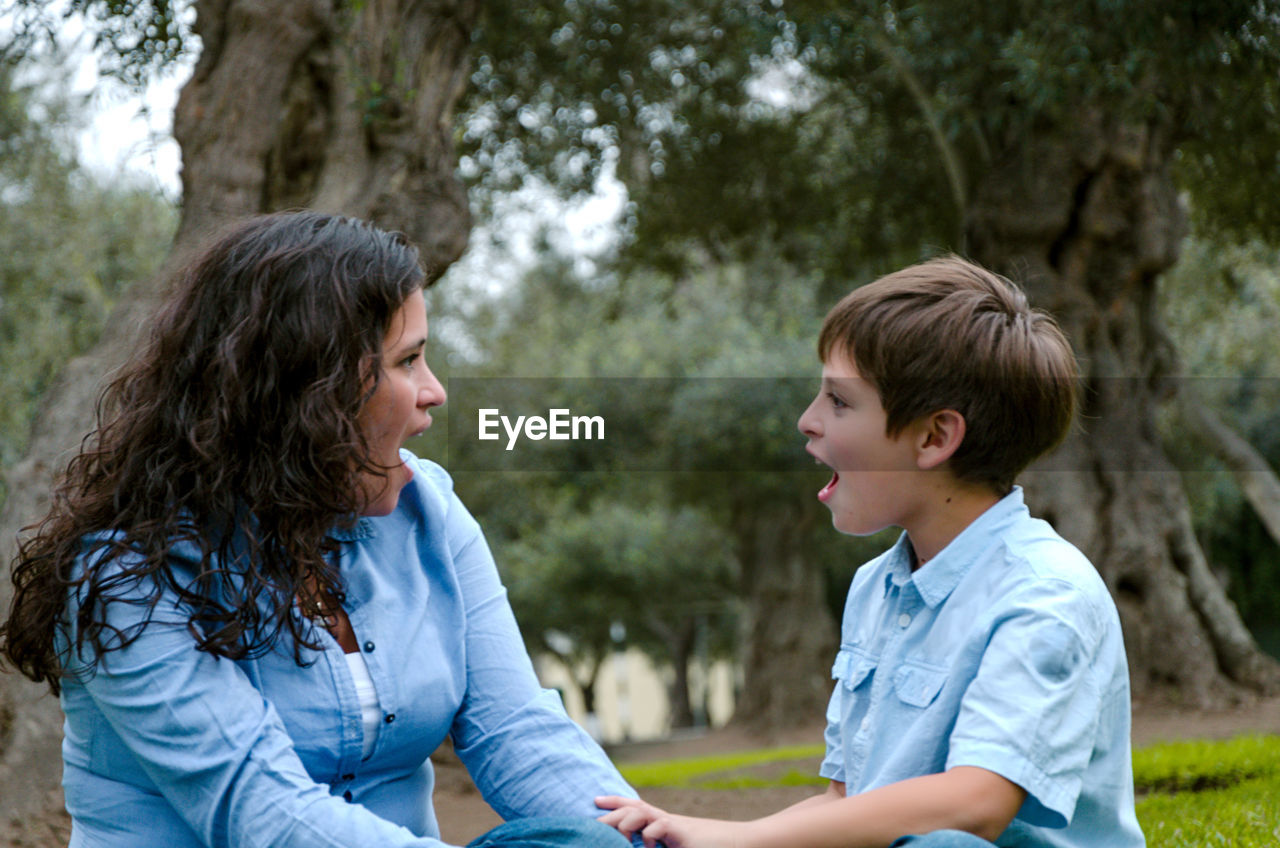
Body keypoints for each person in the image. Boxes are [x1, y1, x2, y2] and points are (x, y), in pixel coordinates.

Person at [1, 211, 634, 848]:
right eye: (407, 361)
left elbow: (518, 731)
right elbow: (263, 814)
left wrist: (645, 839)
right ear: (307, 393)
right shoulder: (125, 577)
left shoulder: (430, 513)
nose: (434, 391)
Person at [598, 256, 1145, 847]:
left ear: (934, 437)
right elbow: (845, 800)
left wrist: (741, 839)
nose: (807, 421)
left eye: (839, 401)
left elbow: (978, 801)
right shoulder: (874, 587)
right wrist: (713, 836)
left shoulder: (1046, 592)